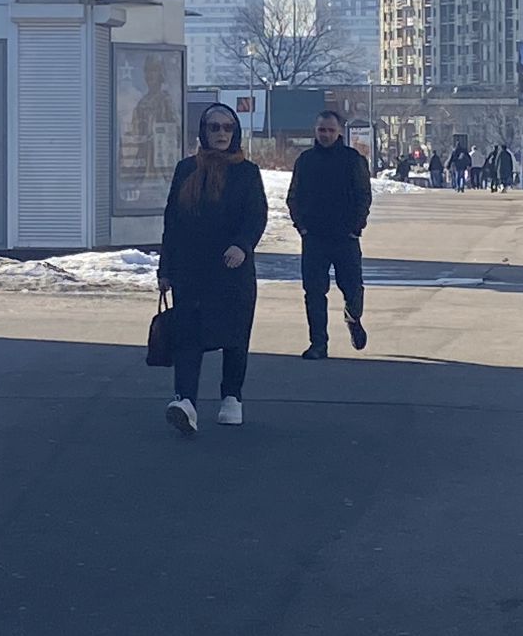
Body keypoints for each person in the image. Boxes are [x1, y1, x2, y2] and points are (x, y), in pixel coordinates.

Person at [158, 103, 269, 435]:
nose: (221, 133)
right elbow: (172, 221)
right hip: (191, 269)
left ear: (236, 132)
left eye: (228, 128)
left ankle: (232, 397)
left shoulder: (247, 172)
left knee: (234, 336)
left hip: (231, 268)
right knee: (187, 336)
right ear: (203, 132)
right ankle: (185, 402)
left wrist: (242, 245)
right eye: (214, 127)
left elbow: (256, 215)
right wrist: (165, 268)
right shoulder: (186, 169)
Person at [288, 110, 372, 361]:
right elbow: (293, 196)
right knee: (314, 293)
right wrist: (301, 226)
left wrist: (356, 227)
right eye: (321, 130)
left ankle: (353, 317)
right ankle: (318, 344)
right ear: (315, 131)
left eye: (330, 130)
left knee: (353, 289)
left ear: (339, 132)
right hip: (314, 238)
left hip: (346, 237)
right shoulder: (305, 161)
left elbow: (364, 195)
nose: (325, 134)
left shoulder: (352, 160)